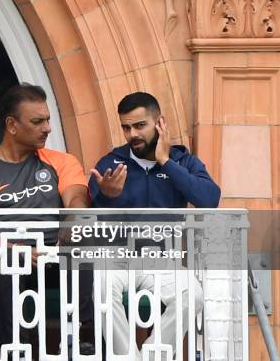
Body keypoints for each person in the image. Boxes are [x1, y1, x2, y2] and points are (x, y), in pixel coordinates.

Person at [0, 83, 93, 356]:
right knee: (7, 262)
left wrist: (73, 220)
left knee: (82, 247)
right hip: (5, 253)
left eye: (47, 120)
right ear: (12, 124)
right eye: (37, 121)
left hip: (54, 253)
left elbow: (76, 197)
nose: (47, 128)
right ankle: (15, 352)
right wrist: (15, 250)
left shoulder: (61, 161)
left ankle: (83, 343)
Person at [89, 92, 220, 360]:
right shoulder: (111, 163)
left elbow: (209, 198)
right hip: (116, 258)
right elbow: (90, 218)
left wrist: (166, 162)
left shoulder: (183, 161)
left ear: (159, 123)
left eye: (139, 126)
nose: (132, 134)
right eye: (126, 127)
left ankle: (153, 355)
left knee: (192, 294)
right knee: (102, 287)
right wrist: (105, 196)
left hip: (161, 259)